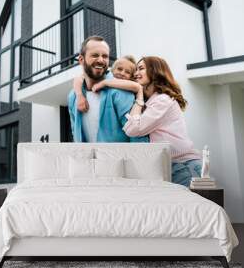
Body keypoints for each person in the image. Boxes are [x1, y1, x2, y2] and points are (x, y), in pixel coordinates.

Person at [122, 56, 202, 186]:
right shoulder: (153, 101)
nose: (136, 74)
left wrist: (139, 97)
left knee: (196, 206)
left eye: (141, 68)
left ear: (155, 71)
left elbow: (132, 129)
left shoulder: (162, 100)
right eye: (135, 70)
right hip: (173, 166)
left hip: (184, 167)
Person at [67, 36, 148, 143]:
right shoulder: (73, 96)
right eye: (95, 55)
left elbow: (138, 137)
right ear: (81, 59)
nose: (101, 60)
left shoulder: (121, 92)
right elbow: (75, 132)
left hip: (120, 159)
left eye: (105, 56)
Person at [73, 55, 140, 113]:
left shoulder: (130, 89)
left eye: (127, 72)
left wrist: (104, 83)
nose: (122, 73)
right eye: (119, 69)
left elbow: (136, 86)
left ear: (131, 77)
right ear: (112, 70)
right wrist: (80, 96)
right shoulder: (104, 75)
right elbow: (78, 78)